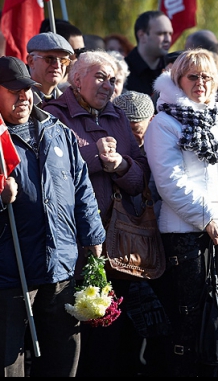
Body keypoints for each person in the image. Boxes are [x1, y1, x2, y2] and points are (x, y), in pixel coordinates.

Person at [42, 51, 151, 377]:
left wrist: (119, 165)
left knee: (108, 336)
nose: (109, 85)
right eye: (101, 77)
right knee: (68, 341)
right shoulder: (52, 115)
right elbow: (50, 175)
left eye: (114, 80)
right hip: (68, 245)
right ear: (76, 79)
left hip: (115, 244)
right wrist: (91, 162)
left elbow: (141, 178)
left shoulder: (118, 117)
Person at [144, 49, 218, 376]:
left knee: (217, 323)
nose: (200, 83)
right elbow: (169, 181)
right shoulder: (164, 122)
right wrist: (207, 219)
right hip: (184, 237)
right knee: (187, 328)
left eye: (207, 77)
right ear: (178, 79)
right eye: (193, 76)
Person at [0, 56, 105, 377]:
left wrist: (93, 237)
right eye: (13, 90)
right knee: (7, 359)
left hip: (60, 263)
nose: (23, 97)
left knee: (62, 352)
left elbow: (81, 185)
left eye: (27, 90)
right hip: (9, 271)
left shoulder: (56, 130)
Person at [124, 11, 173, 95]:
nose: (167, 39)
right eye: (161, 33)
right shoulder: (122, 71)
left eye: (170, 33)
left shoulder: (173, 69)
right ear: (142, 35)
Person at [25, 32, 75, 105]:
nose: (57, 65)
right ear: (31, 61)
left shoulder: (70, 103)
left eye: (63, 60)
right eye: (49, 59)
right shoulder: (19, 100)